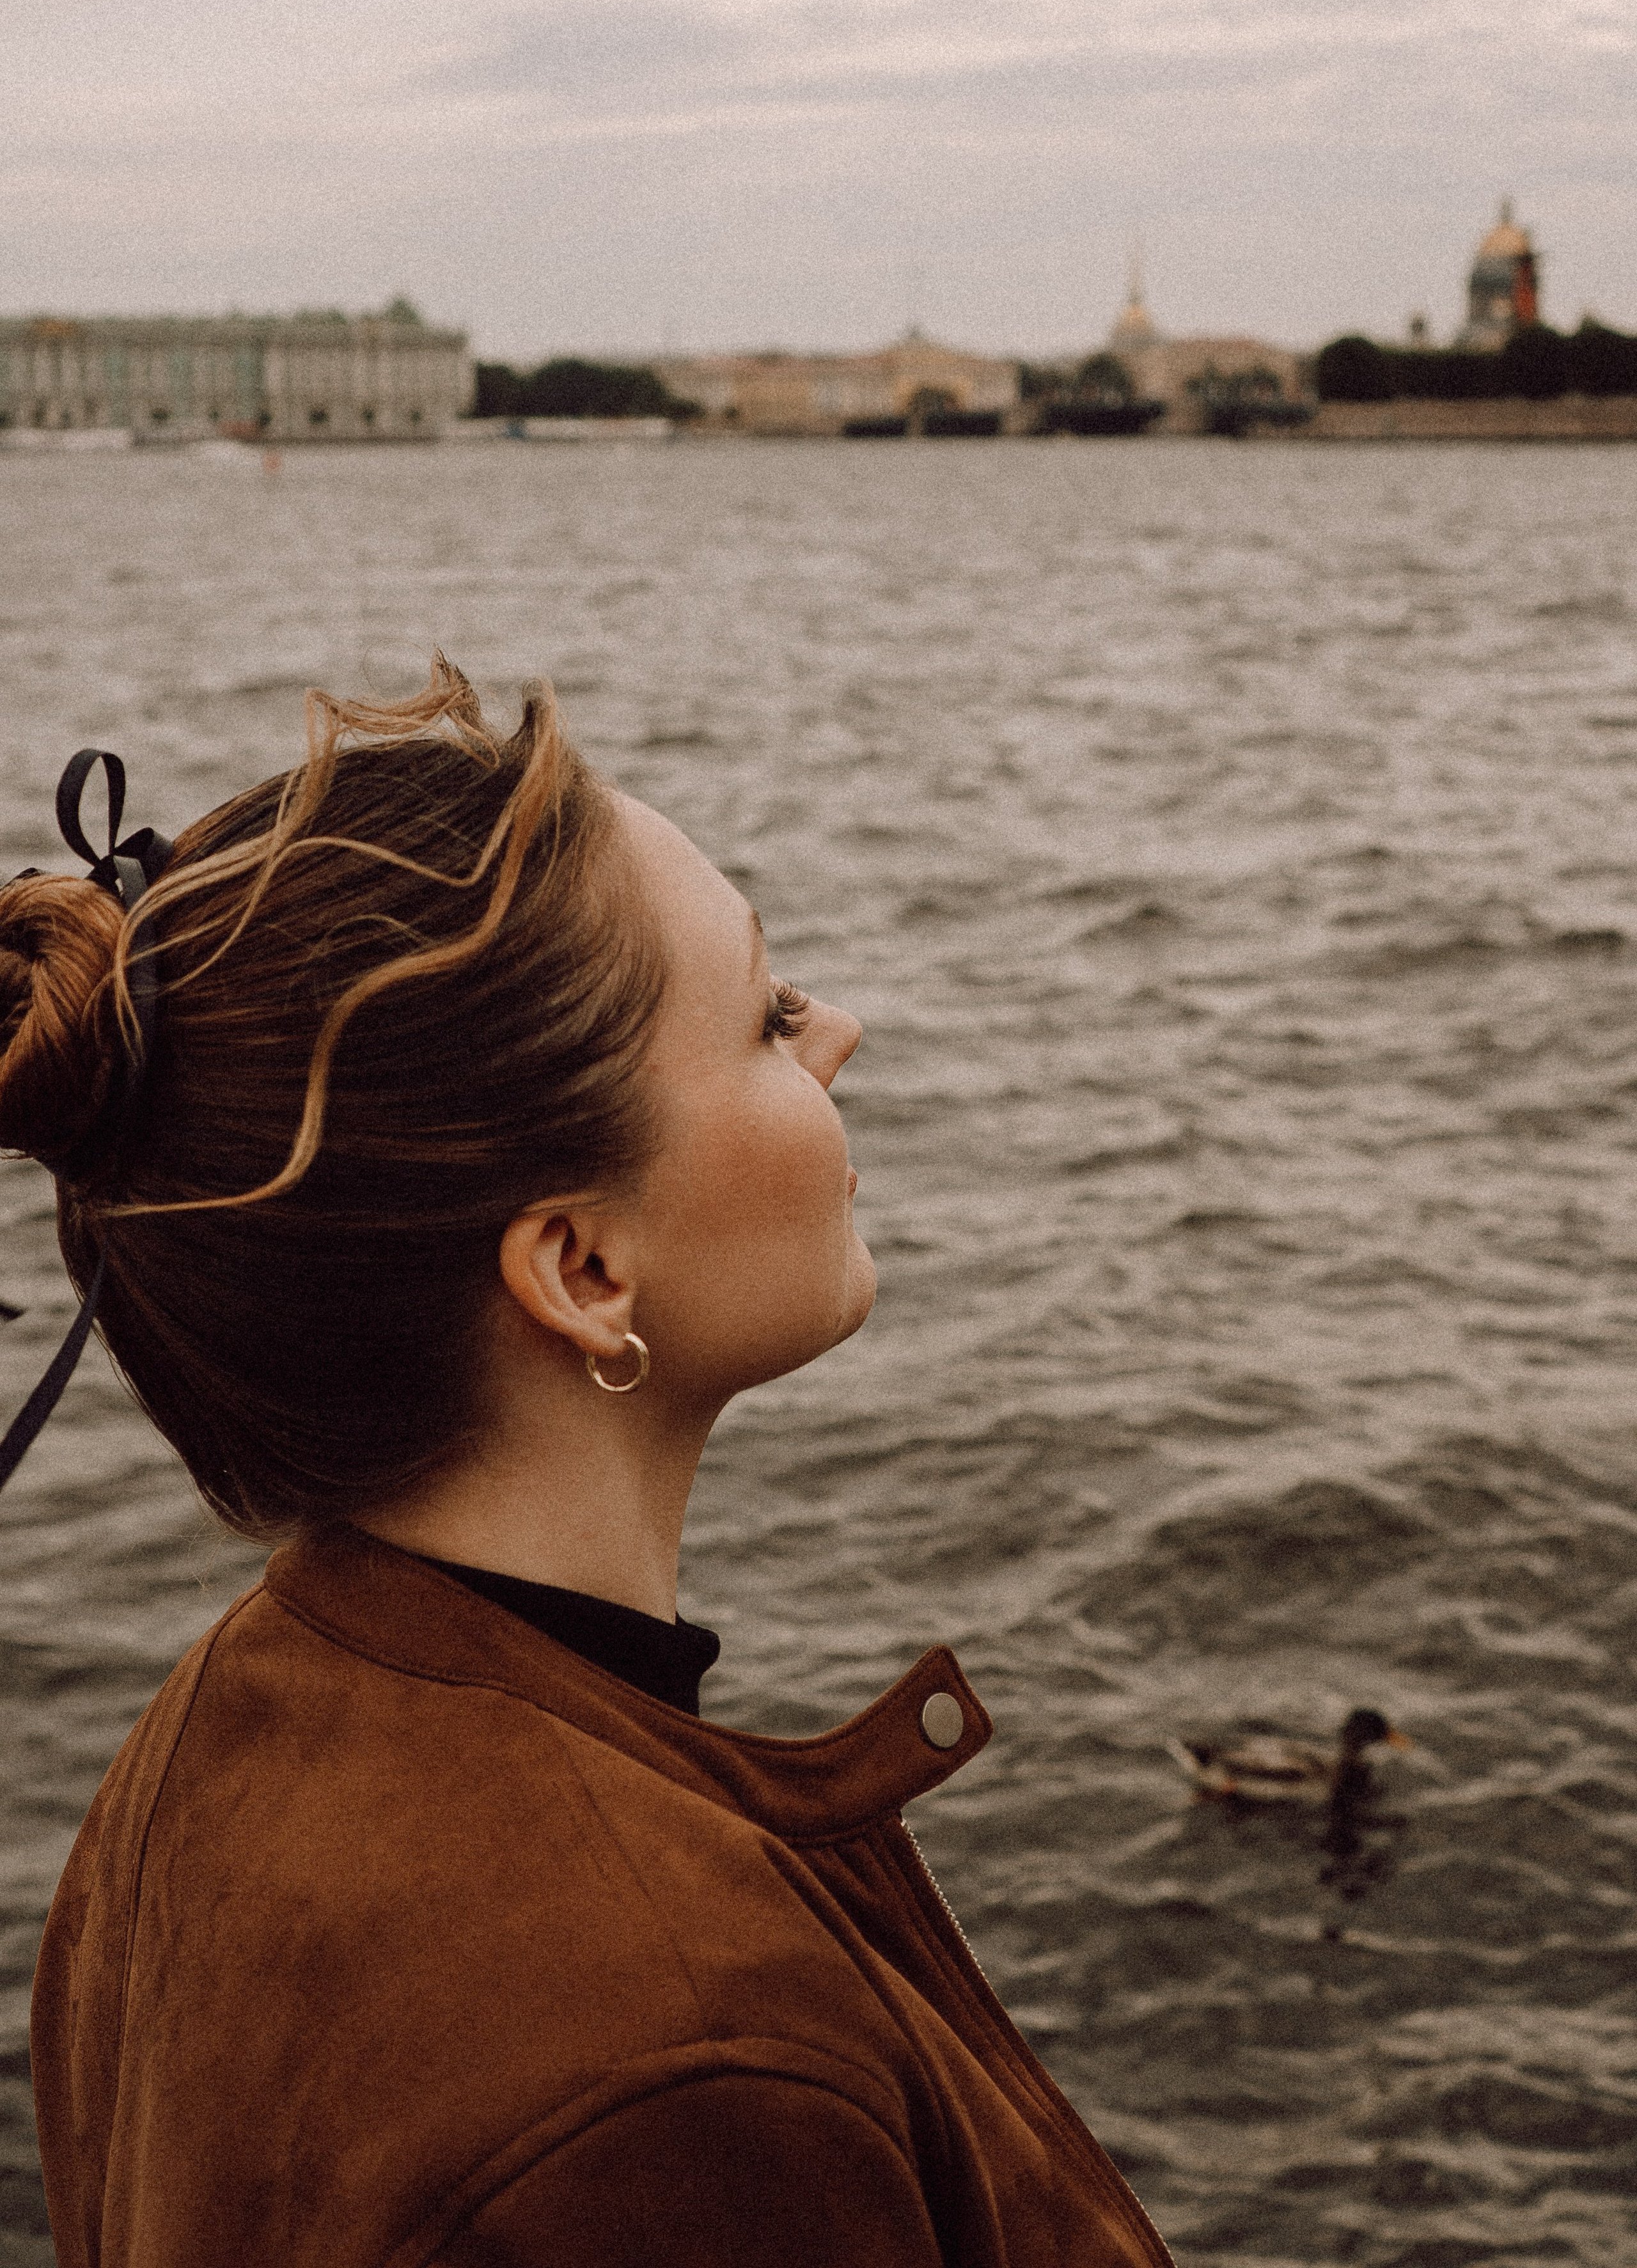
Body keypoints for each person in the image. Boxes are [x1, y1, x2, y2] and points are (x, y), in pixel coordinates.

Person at [3, 658, 1170, 2267]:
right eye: (765, 1016)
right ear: (581, 1273)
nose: (839, 1029)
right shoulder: (682, 2076)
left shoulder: (203, 1743)